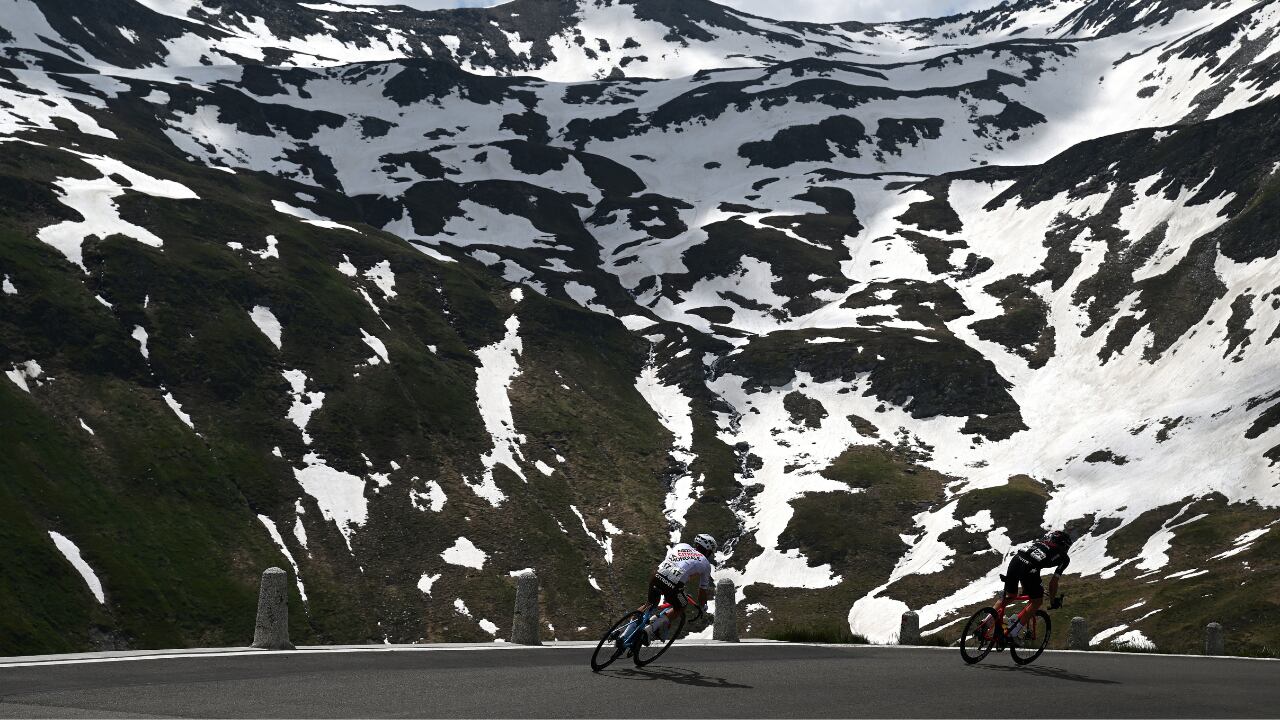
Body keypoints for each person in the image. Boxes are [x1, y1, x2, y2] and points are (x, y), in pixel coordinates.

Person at [639, 533, 717, 645]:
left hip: (657, 575)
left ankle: (625, 633)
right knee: (681, 606)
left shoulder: (682, 545)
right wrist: (702, 605)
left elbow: (673, 563)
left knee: (649, 604)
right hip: (673, 585)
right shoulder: (705, 563)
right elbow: (702, 590)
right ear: (708, 550)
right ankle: (649, 630)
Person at [998, 529, 1071, 642]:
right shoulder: (1064, 558)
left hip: (1016, 559)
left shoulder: (1041, 542)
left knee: (1010, 595)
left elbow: (1028, 559)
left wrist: (1026, 588)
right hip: (1030, 567)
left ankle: (986, 622)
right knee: (1037, 601)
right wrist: (1052, 601)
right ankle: (1013, 632)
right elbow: (1053, 583)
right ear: (1064, 546)